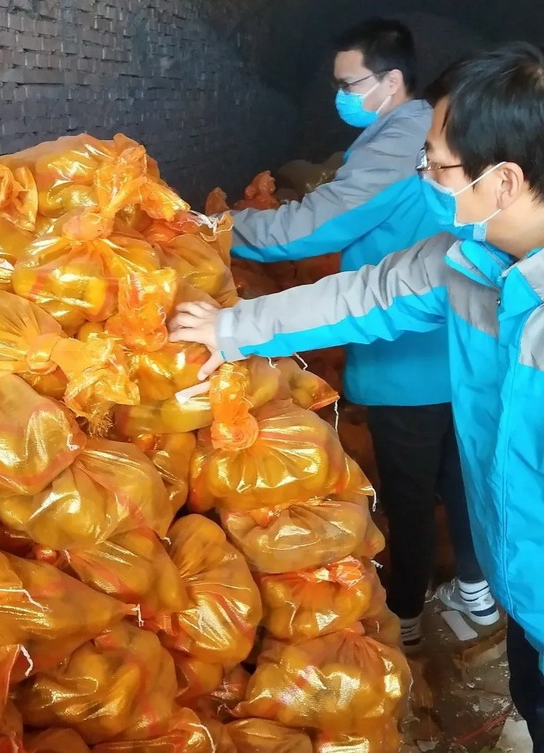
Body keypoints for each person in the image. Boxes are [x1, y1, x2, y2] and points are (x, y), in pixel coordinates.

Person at [171, 41, 544, 748]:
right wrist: (230, 329)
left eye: (437, 165)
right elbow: (366, 294)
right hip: (524, 588)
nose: (424, 177)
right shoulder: (469, 260)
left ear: (503, 181)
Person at [230, 17, 499, 649]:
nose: (340, 96)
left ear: (392, 80)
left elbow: (320, 230)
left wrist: (219, 230)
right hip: (452, 355)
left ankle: (403, 617)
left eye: (349, 84)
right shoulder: (437, 159)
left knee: (408, 495)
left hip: (407, 361)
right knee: (461, 478)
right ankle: (476, 596)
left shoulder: (401, 141)